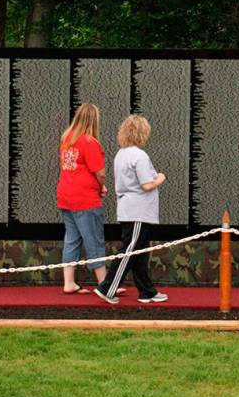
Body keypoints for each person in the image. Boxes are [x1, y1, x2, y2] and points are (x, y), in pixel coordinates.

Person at [97, 114, 168, 304]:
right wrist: (160, 177)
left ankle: (147, 291)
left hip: (130, 209)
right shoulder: (139, 155)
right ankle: (107, 287)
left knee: (140, 253)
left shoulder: (121, 154)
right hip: (139, 210)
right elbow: (146, 184)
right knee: (130, 250)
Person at [57, 103, 111, 295]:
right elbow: (100, 171)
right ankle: (104, 284)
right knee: (94, 241)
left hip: (66, 196)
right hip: (85, 199)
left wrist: (99, 185)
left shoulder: (67, 138)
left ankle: (69, 282)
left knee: (71, 240)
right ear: (94, 120)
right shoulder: (89, 142)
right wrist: (101, 184)